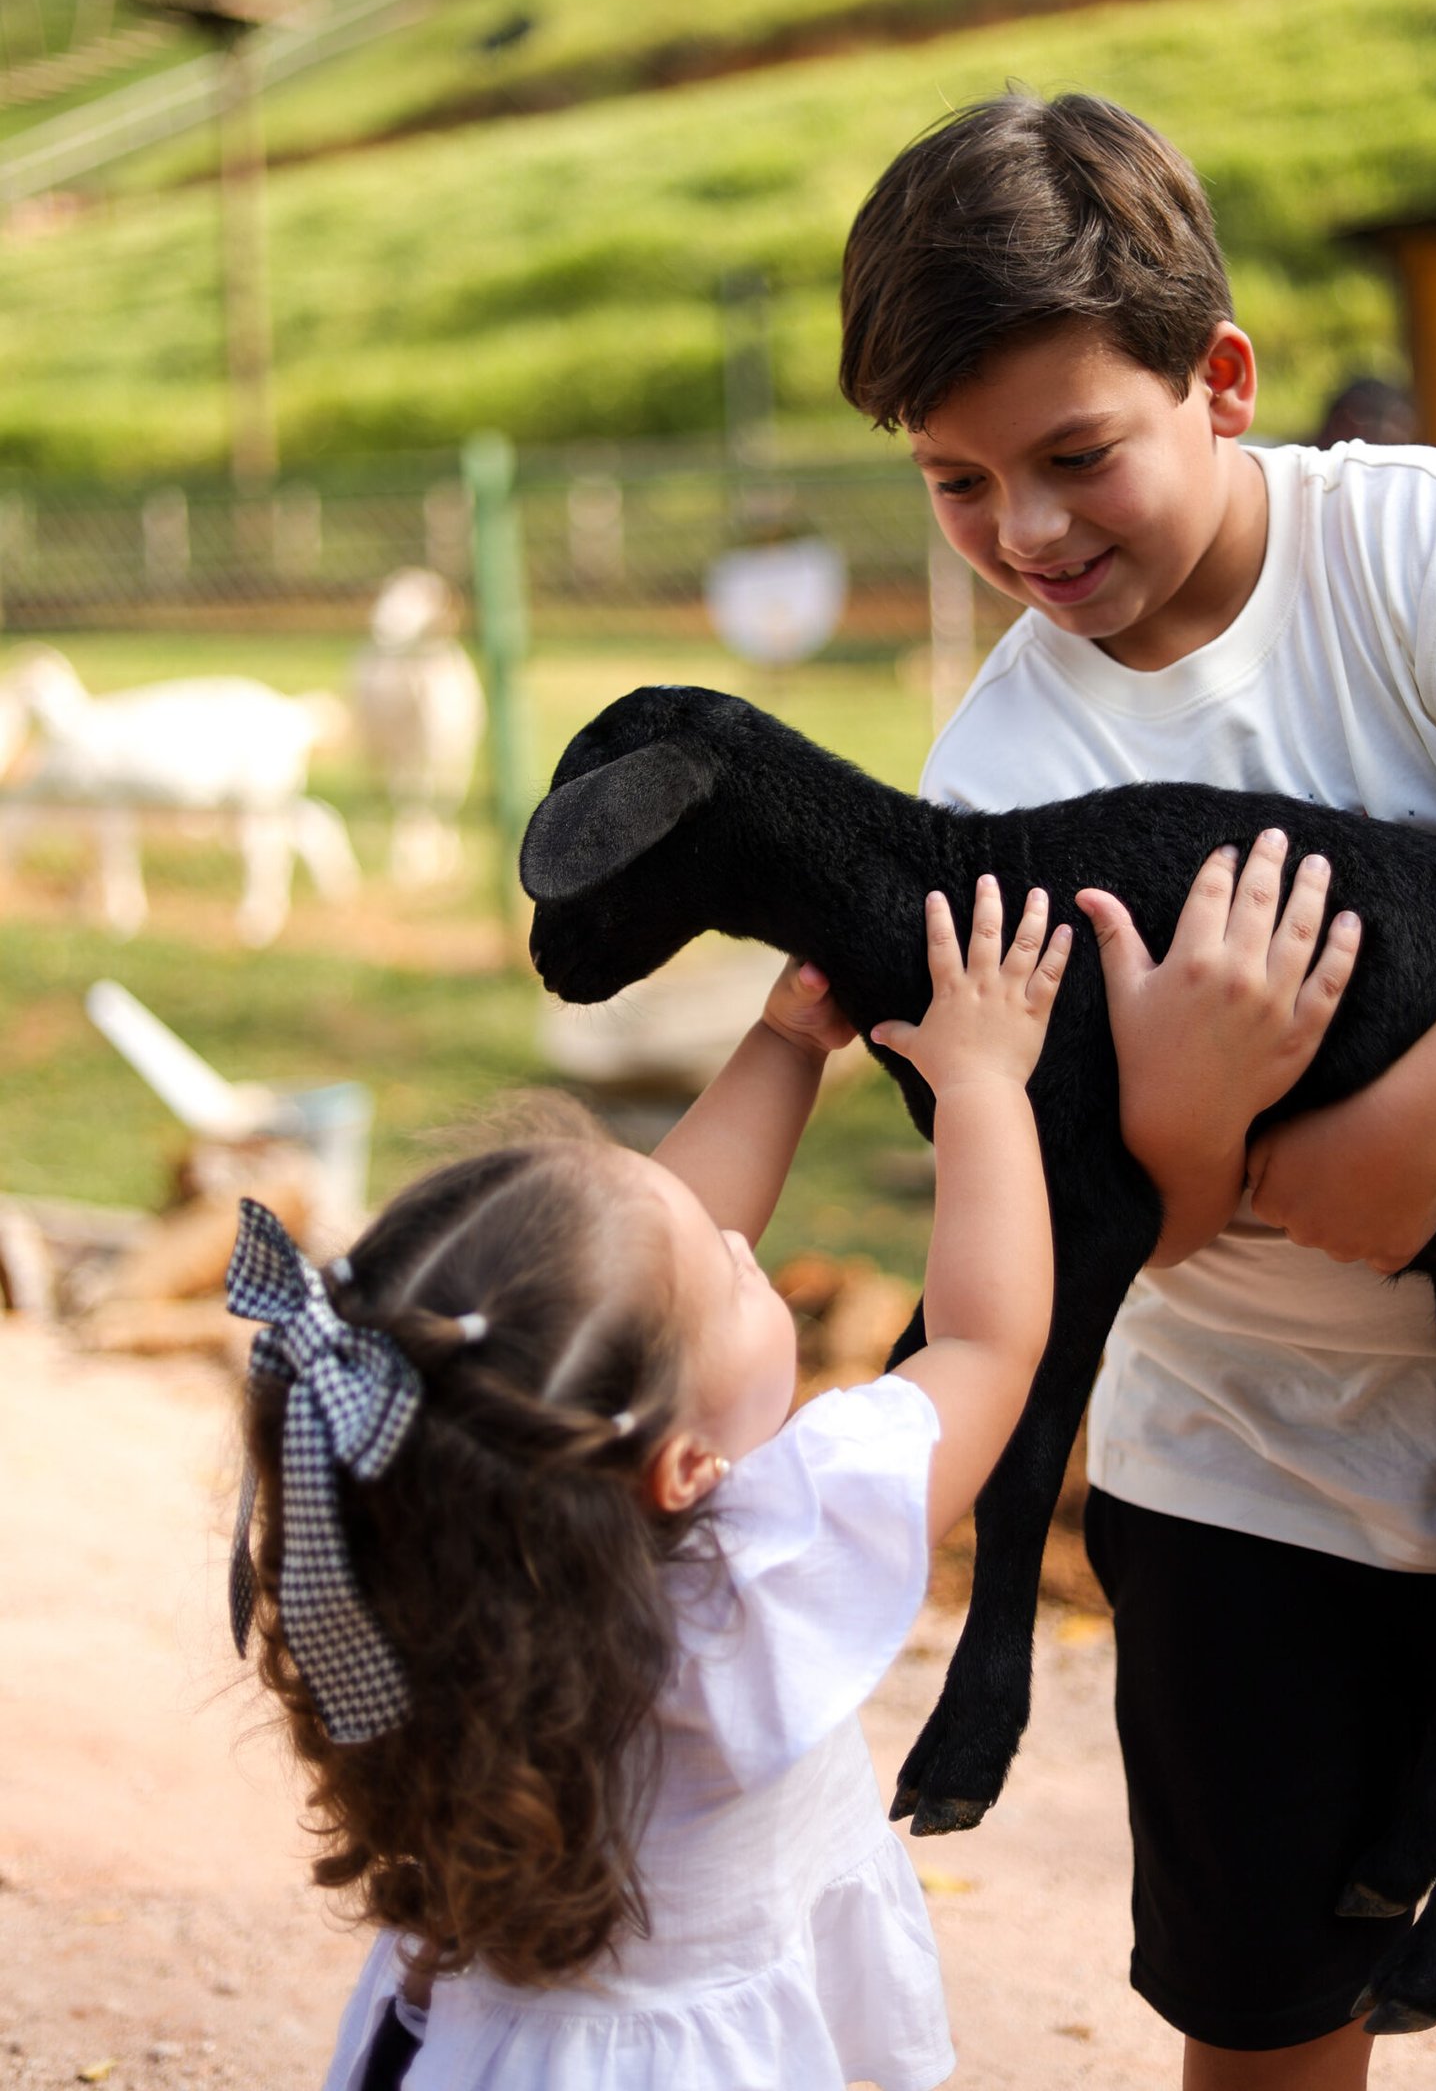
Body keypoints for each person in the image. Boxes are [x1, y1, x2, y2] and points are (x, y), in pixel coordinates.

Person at [838, 90, 1436, 2091]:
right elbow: (1054, 1233)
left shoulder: (1409, 551)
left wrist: (1405, 1136)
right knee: (1265, 2020)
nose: (1025, 532)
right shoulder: (997, 788)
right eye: (955, 482)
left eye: (1076, 454)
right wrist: (1184, 1127)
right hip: (1246, 1481)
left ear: (1221, 382)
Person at [229, 878, 1076, 2091]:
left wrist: (785, 1042)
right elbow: (986, 1343)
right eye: (735, 1278)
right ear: (682, 1468)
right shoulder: (761, 1583)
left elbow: (640, 1282)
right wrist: (985, 1084)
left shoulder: (416, 1547)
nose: (741, 1242)